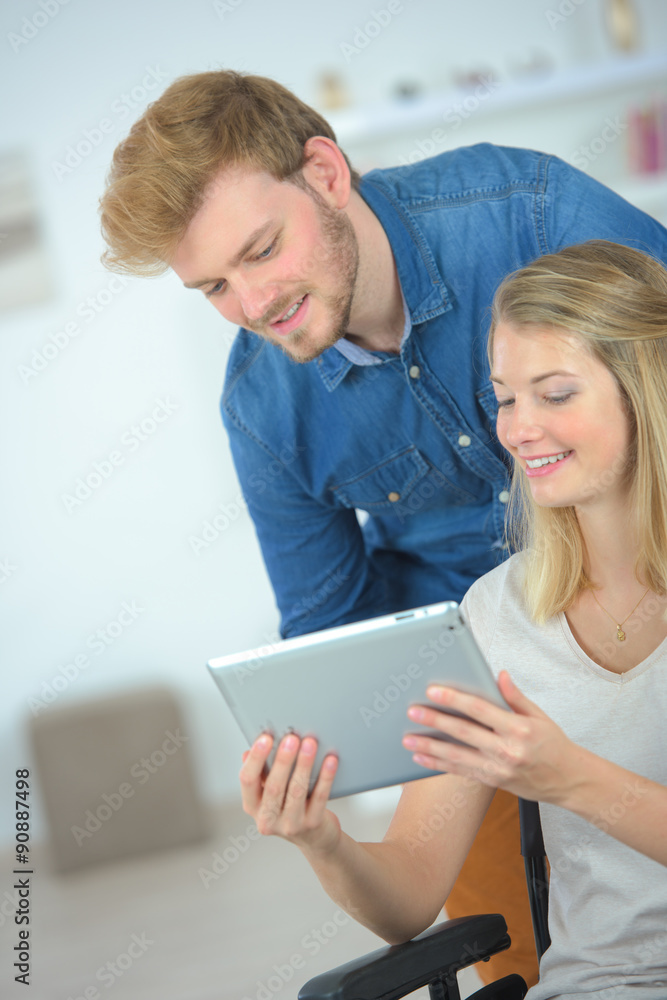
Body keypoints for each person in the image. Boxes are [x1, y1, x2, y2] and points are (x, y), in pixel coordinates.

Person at [98, 70, 667, 985]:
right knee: (520, 940)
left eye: (260, 251)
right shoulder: (264, 408)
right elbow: (333, 637)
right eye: (212, 287)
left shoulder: (527, 215)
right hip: (480, 669)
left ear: (325, 172)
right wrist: (322, 814)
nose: (250, 307)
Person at [238, 240, 667, 998]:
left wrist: (569, 780)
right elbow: (408, 898)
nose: (517, 428)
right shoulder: (496, 615)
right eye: (504, 397)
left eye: (555, 393)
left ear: (647, 391)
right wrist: (323, 840)